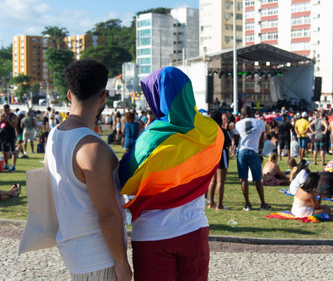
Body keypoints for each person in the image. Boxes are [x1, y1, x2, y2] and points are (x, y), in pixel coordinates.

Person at [119, 67, 224, 281]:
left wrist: (145, 135)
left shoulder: (152, 137)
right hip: (195, 228)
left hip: (153, 233)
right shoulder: (212, 130)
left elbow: (124, 178)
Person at [46, 60, 132, 280]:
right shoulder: (92, 148)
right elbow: (107, 213)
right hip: (99, 255)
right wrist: (122, 263)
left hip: (74, 249)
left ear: (69, 94)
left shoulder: (55, 134)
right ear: (103, 97)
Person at [234, 105, 271, 211]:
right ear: (251, 113)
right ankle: (263, 204)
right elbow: (261, 140)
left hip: (242, 152)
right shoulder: (260, 123)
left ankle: (248, 204)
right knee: (258, 179)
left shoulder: (238, 124)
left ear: (243, 114)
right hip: (254, 151)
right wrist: (259, 151)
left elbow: (236, 140)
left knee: (243, 178)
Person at [208, 110, 232, 210]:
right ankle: (219, 205)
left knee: (212, 180)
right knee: (220, 181)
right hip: (221, 154)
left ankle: (211, 203)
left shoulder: (208, 130)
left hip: (211, 154)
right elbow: (229, 143)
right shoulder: (222, 131)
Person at [0, 104, 18, 172]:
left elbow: (14, 125)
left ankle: (13, 166)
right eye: (4, 110)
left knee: (13, 150)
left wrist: (8, 120)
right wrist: (1, 119)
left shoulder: (13, 116)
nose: (5, 112)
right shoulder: (2, 115)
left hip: (11, 134)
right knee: (4, 151)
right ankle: (6, 164)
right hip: (3, 135)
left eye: (6, 110)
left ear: (9, 109)